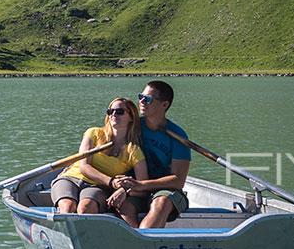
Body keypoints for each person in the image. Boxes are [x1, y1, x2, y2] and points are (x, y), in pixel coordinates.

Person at [109, 79, 191, 229]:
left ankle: (142, 241)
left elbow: (178, 181)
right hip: (133, 187)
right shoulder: (132, 126)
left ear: (164, 105)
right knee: (122, 204)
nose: (141, 101)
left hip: (165, 190)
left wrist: (142, 185)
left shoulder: (178, 136)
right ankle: (137, 243)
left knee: (162, 203)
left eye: (147, 99)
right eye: (140, 96)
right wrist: (127, 187)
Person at [49, 98, 147, 219]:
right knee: (68, 207)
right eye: (110, 111)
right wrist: (111, 182)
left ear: (131, 117)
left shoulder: (134, 150)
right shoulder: (94, 133)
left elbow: (143, 185)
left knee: (86, 208)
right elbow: (84, 167)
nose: (114, 114)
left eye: (120, 111)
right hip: (71, 178)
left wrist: (124, 191)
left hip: (97, 186)